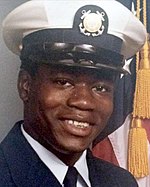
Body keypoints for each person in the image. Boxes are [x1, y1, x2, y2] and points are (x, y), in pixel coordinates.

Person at [0, 0, 146, 186]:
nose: (84, 102)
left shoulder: (121, 182)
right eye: (63, 82)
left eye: (100, 88)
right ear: (25, 85)